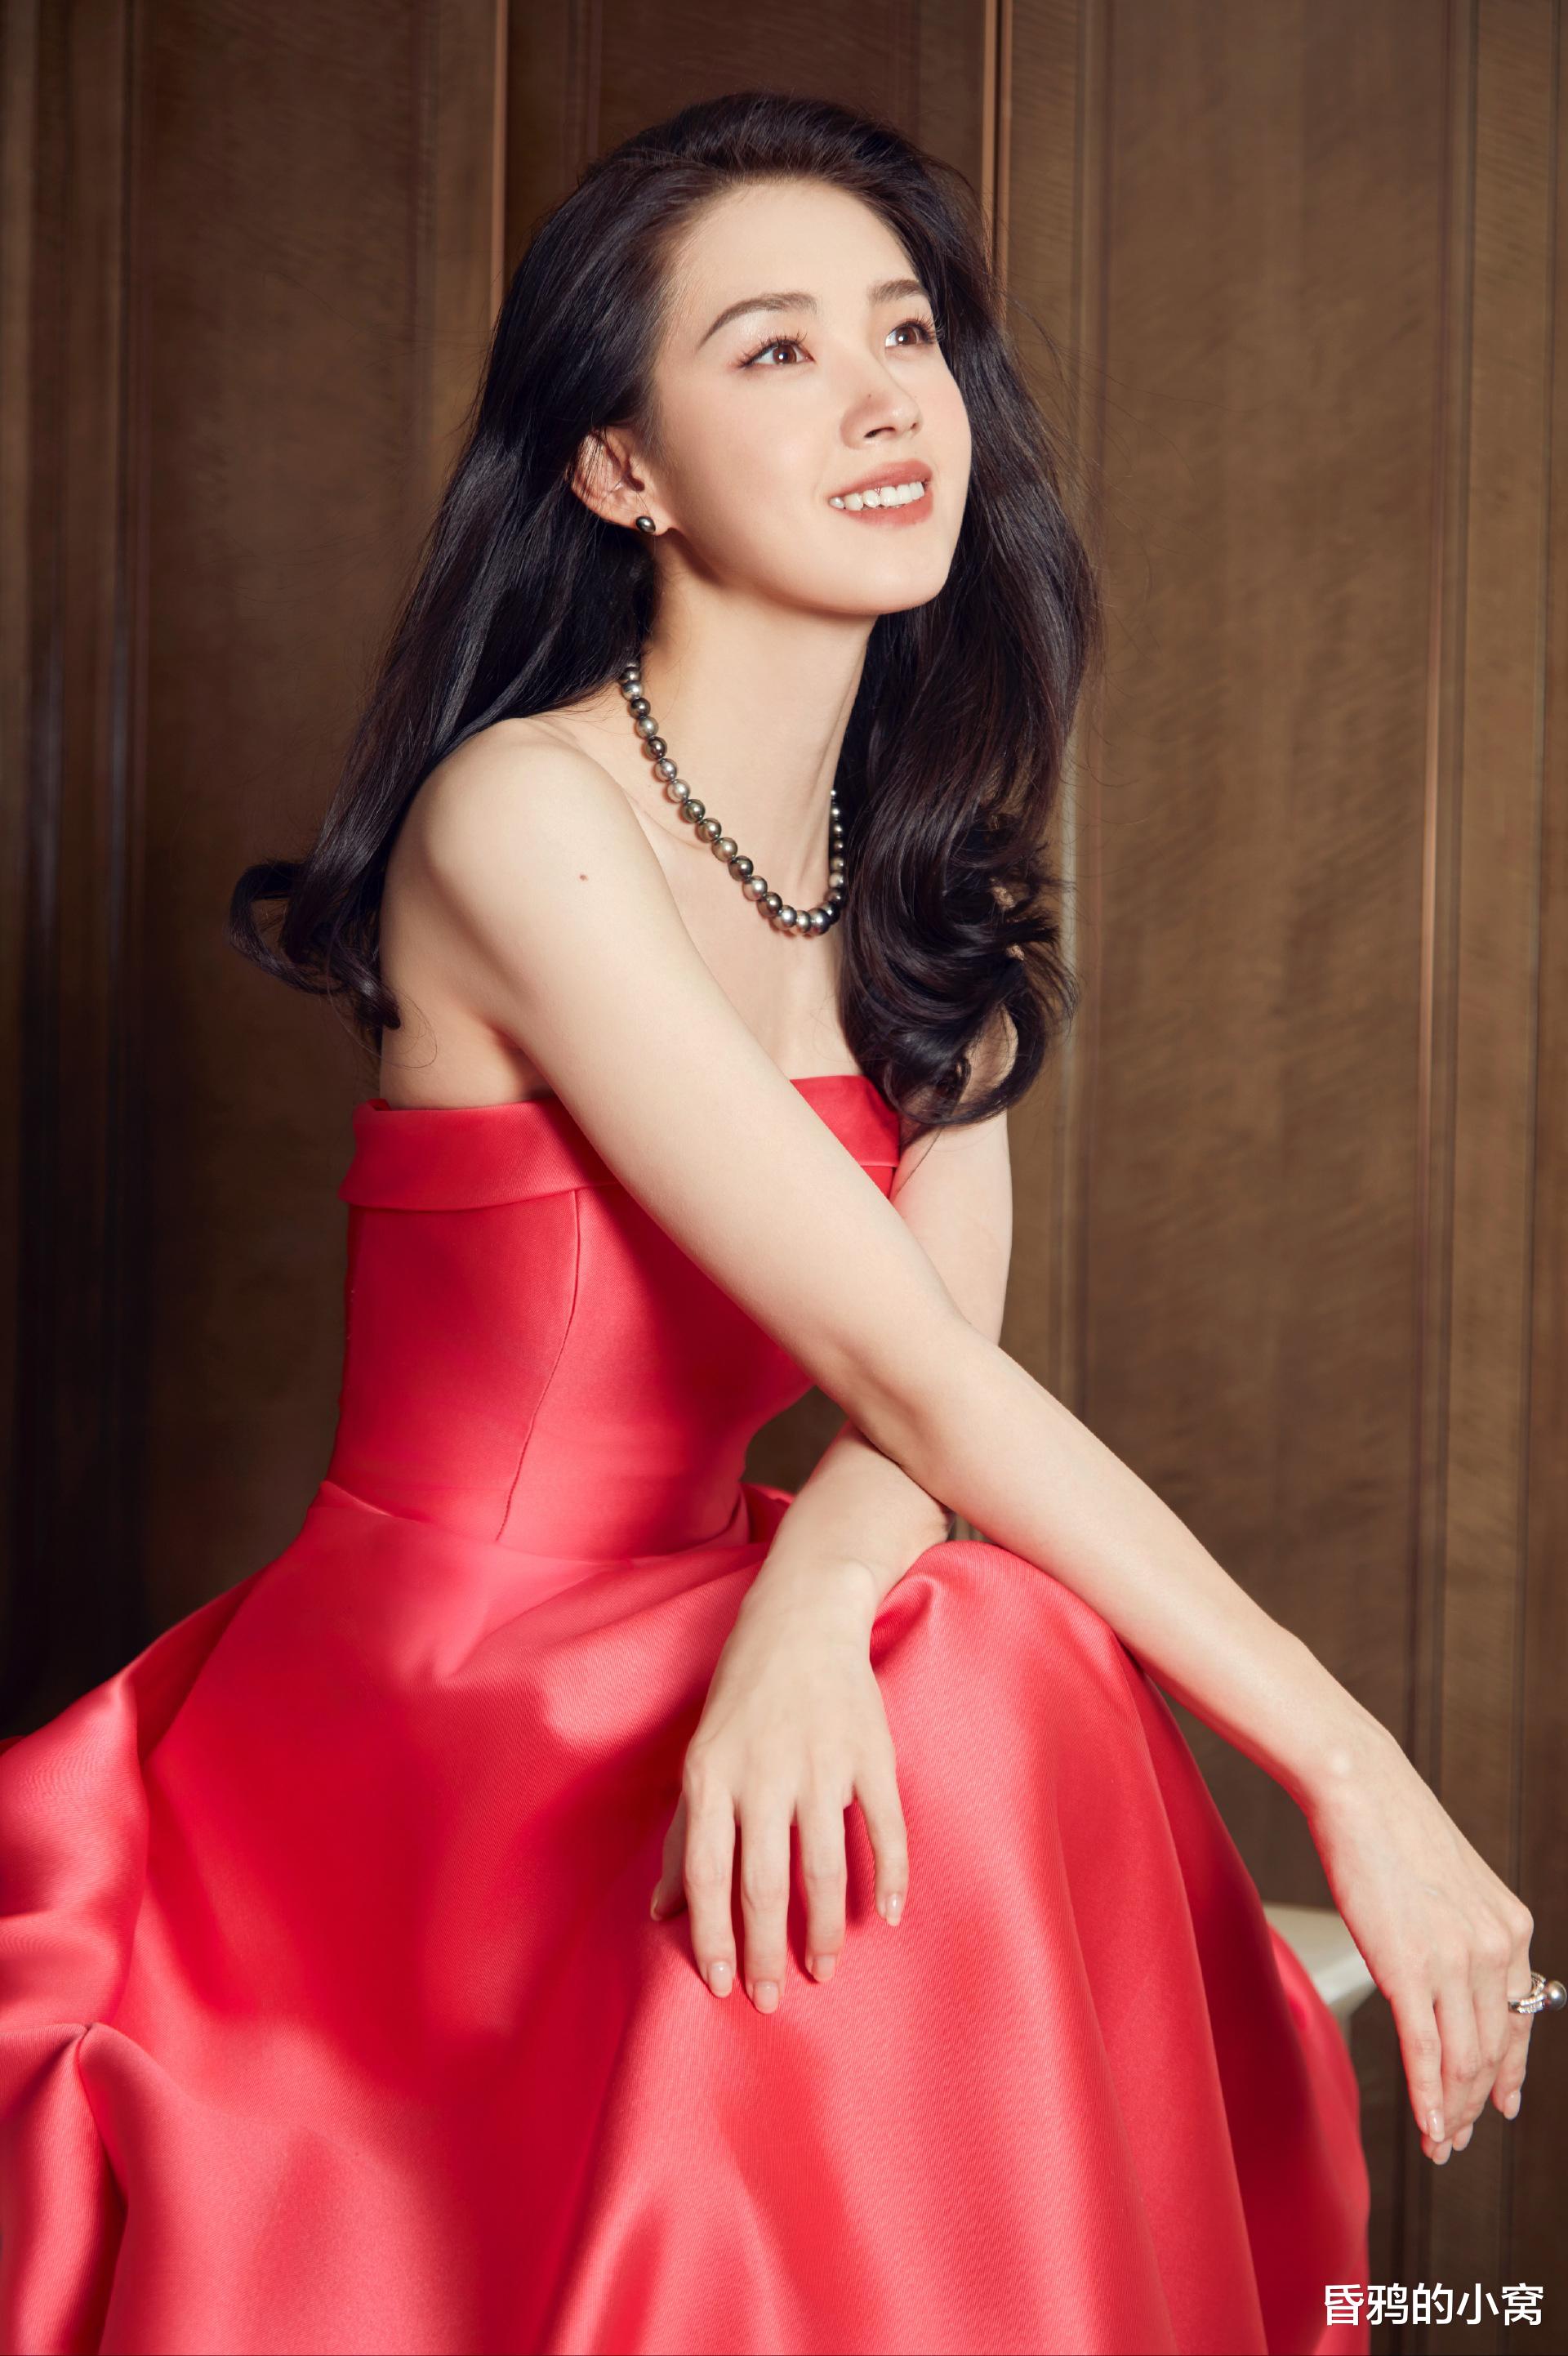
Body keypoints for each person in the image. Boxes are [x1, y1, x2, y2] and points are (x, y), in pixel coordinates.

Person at [0, 86, 1548, 2356]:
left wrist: (814, 1597)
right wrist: (1355, 1765)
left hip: (691, 1608)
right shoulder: (520, 820)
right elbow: (911, 1370)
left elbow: (926, 1382)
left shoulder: (921, 873)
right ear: (619, 467)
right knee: (993, 1662)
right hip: (435, 1693)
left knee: (967, 1647)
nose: (884, 395)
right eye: (777, 349)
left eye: (905, 331)